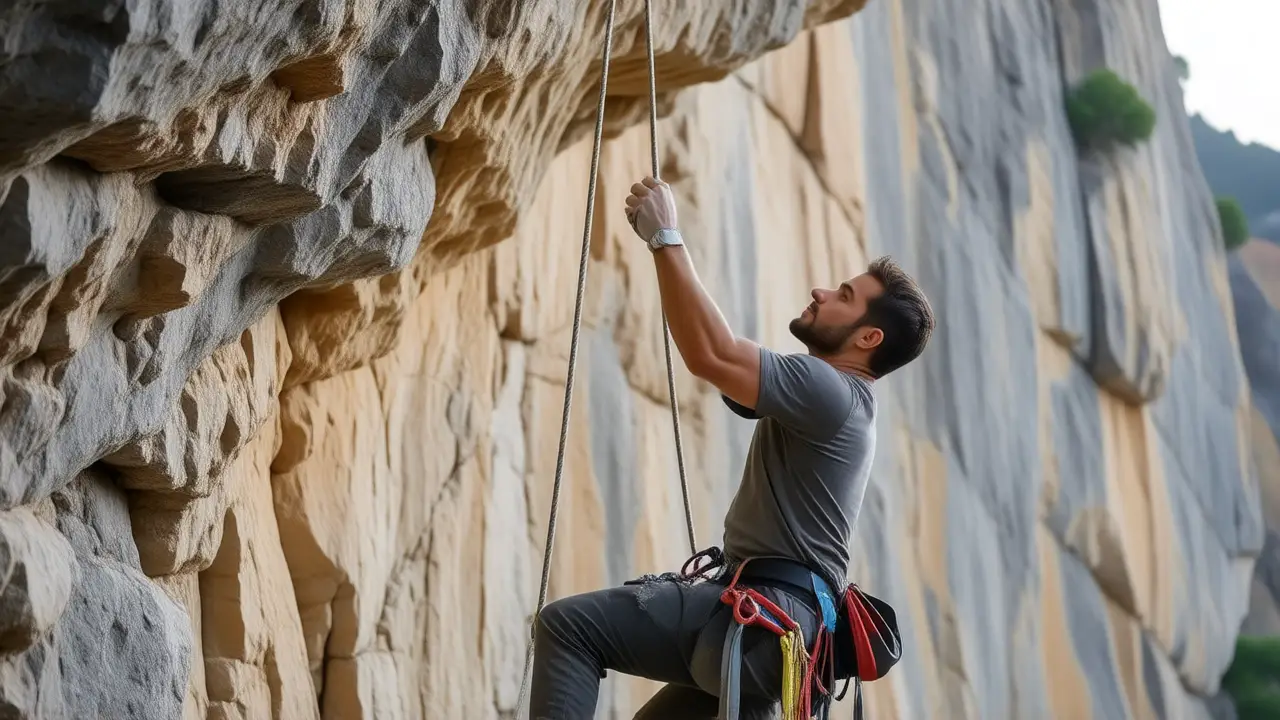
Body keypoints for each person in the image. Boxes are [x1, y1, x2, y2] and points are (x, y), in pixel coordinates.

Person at [527, 176, 935, 719]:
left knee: (568, 628)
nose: (822, 292)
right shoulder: (836, 403)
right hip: (778, 646)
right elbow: (723, 365)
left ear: (868, 338)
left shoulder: (830, 392)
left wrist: (666, 237)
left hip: (761, 625)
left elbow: (713, 354)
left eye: (844, 296)